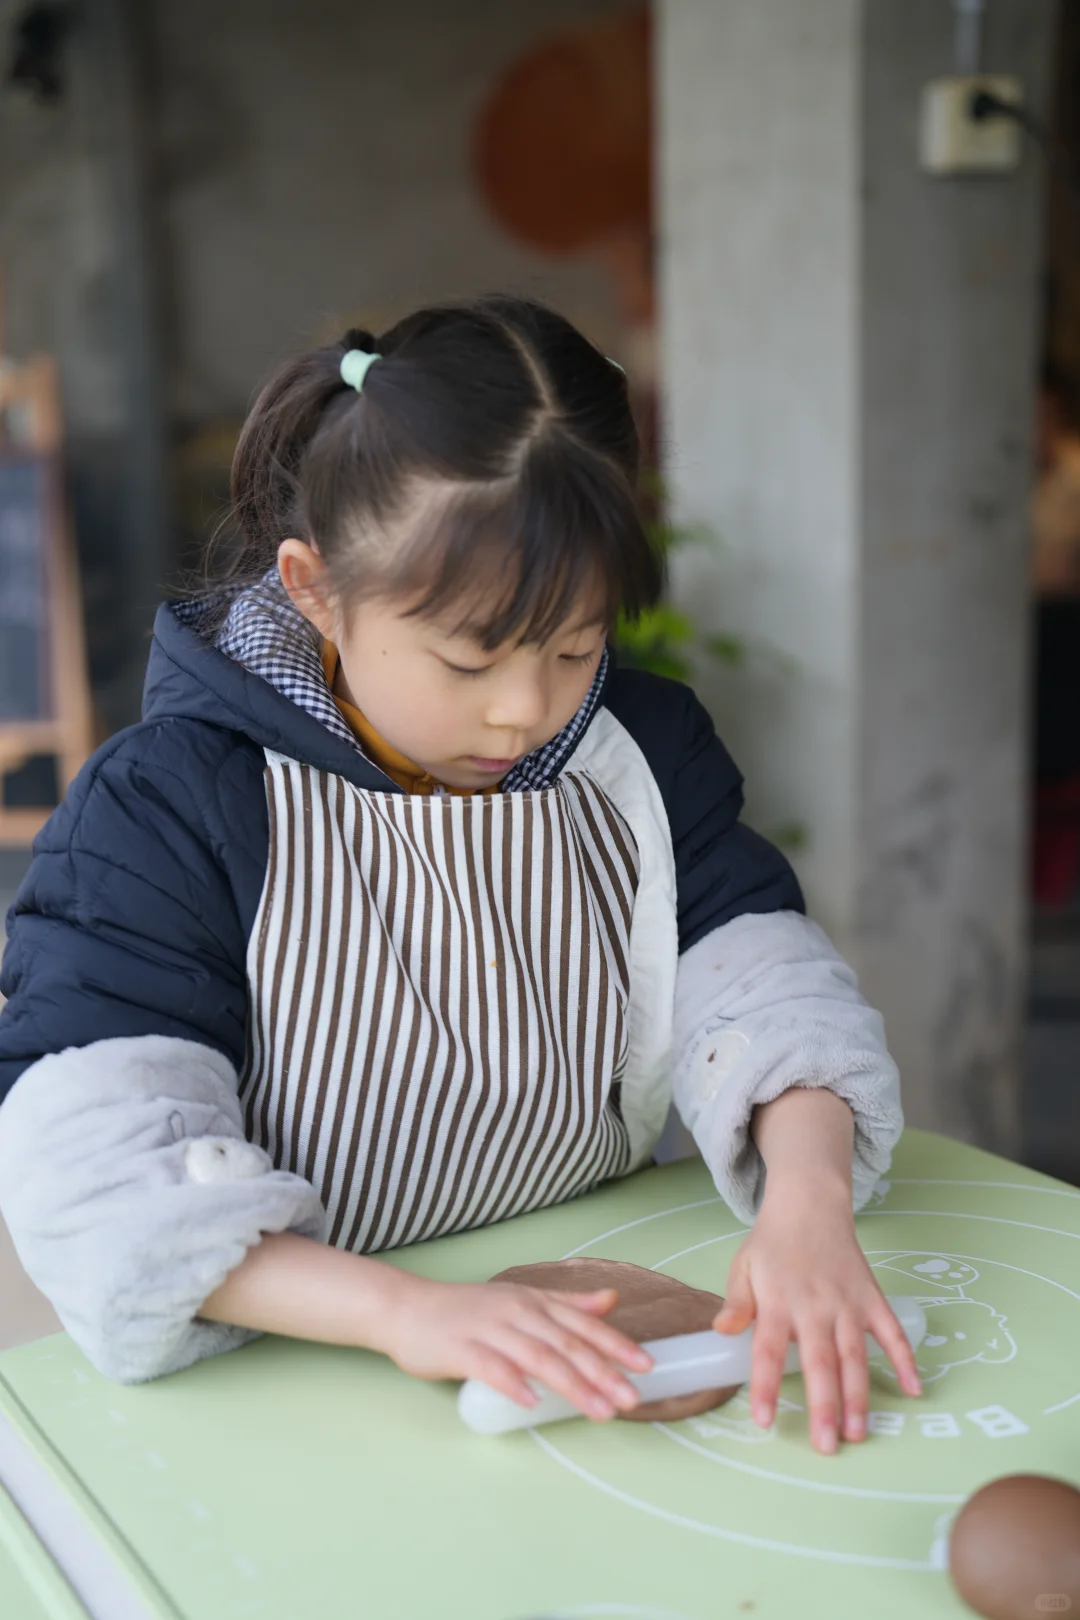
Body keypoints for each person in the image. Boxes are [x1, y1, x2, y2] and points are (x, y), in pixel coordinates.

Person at [0, 297, 920, 1454]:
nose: (526, 708)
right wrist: (404, 1311)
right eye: (469, 655)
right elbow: (93, 1169)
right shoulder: (171, 805)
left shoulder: (640, 755)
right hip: (304, 1349)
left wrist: (807, 1203)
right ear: (316, 589)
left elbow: (760, 980)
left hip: (601, 1280)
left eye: (575, 644)